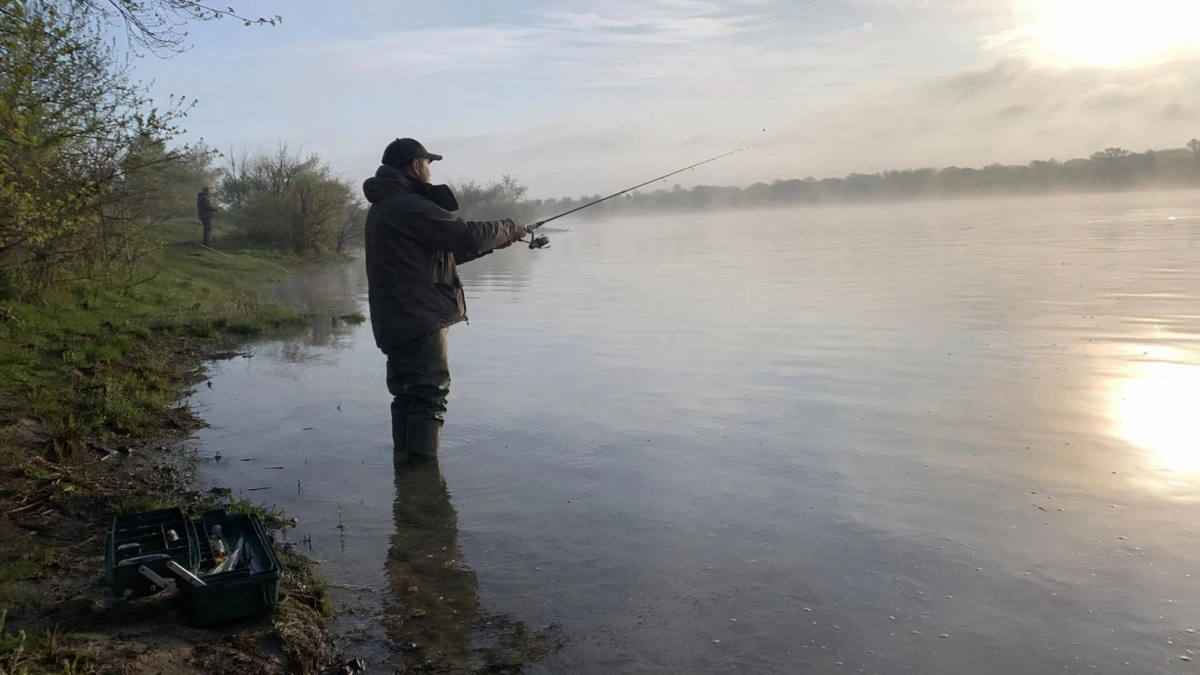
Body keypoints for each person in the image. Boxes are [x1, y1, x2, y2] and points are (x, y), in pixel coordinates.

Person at [363, 138, 529, 459]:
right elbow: (464, 235)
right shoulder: (407, 204)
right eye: (428, 164)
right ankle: (424, 484)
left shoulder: (386, 206)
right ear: (415, 165)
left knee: (407, 398)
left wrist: (496, 244)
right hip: (419, 320)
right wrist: (510, 227)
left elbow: (435, 256)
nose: (429, 171)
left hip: (394, 320)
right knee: (428, 397)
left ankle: (407, 475)